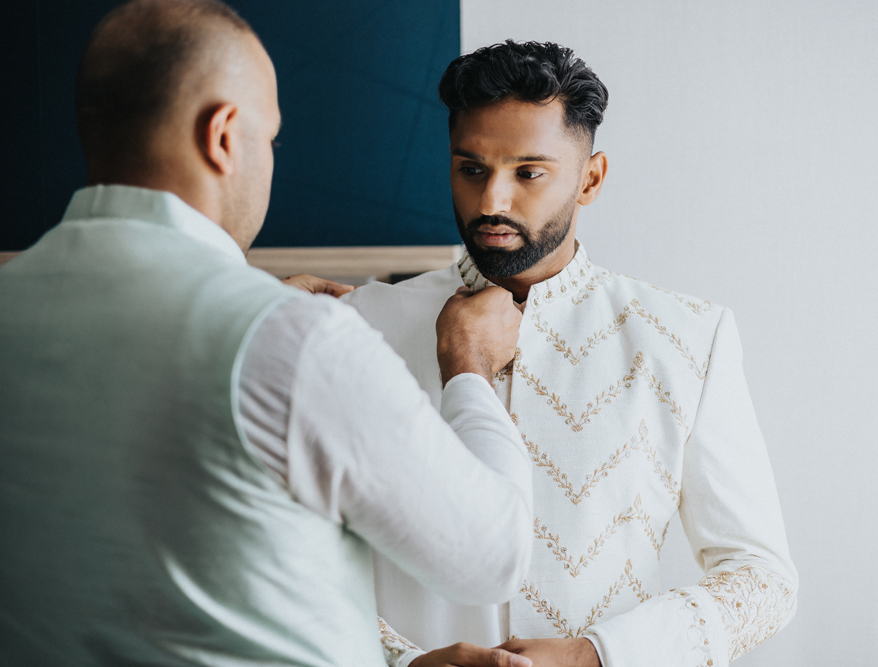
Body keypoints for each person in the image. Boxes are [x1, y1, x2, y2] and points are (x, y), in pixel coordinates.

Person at [0, 4, 537, 666]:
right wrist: (469, 364)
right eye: (272, 138)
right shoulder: (291, 339)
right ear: (224, 135)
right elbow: (493, 553)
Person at [341, 41, 798, 667]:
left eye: (528, 172)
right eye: (471, 168)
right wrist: (404, 662)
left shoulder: (688, 338)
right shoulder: (357, 329)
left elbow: (762, 579)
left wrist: (597, 655)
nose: (492, 201)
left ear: (591, 178)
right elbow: (292, 556)